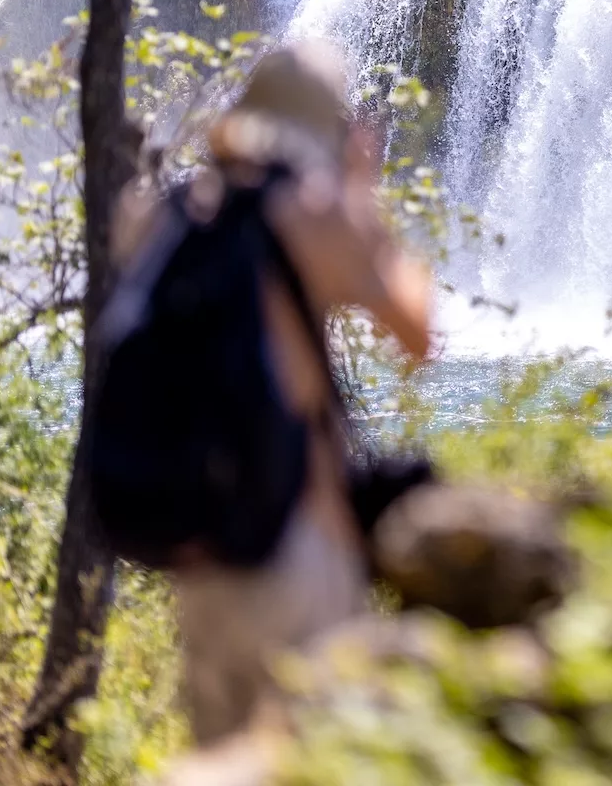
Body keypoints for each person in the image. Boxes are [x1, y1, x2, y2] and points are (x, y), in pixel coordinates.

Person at [112, 41, 433, 745]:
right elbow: (417, 335)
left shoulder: (162, 215)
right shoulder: (315, 213)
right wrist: (359, 192)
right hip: (297, 546)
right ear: (328, 129)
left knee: (221, 759)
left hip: (201, 565)